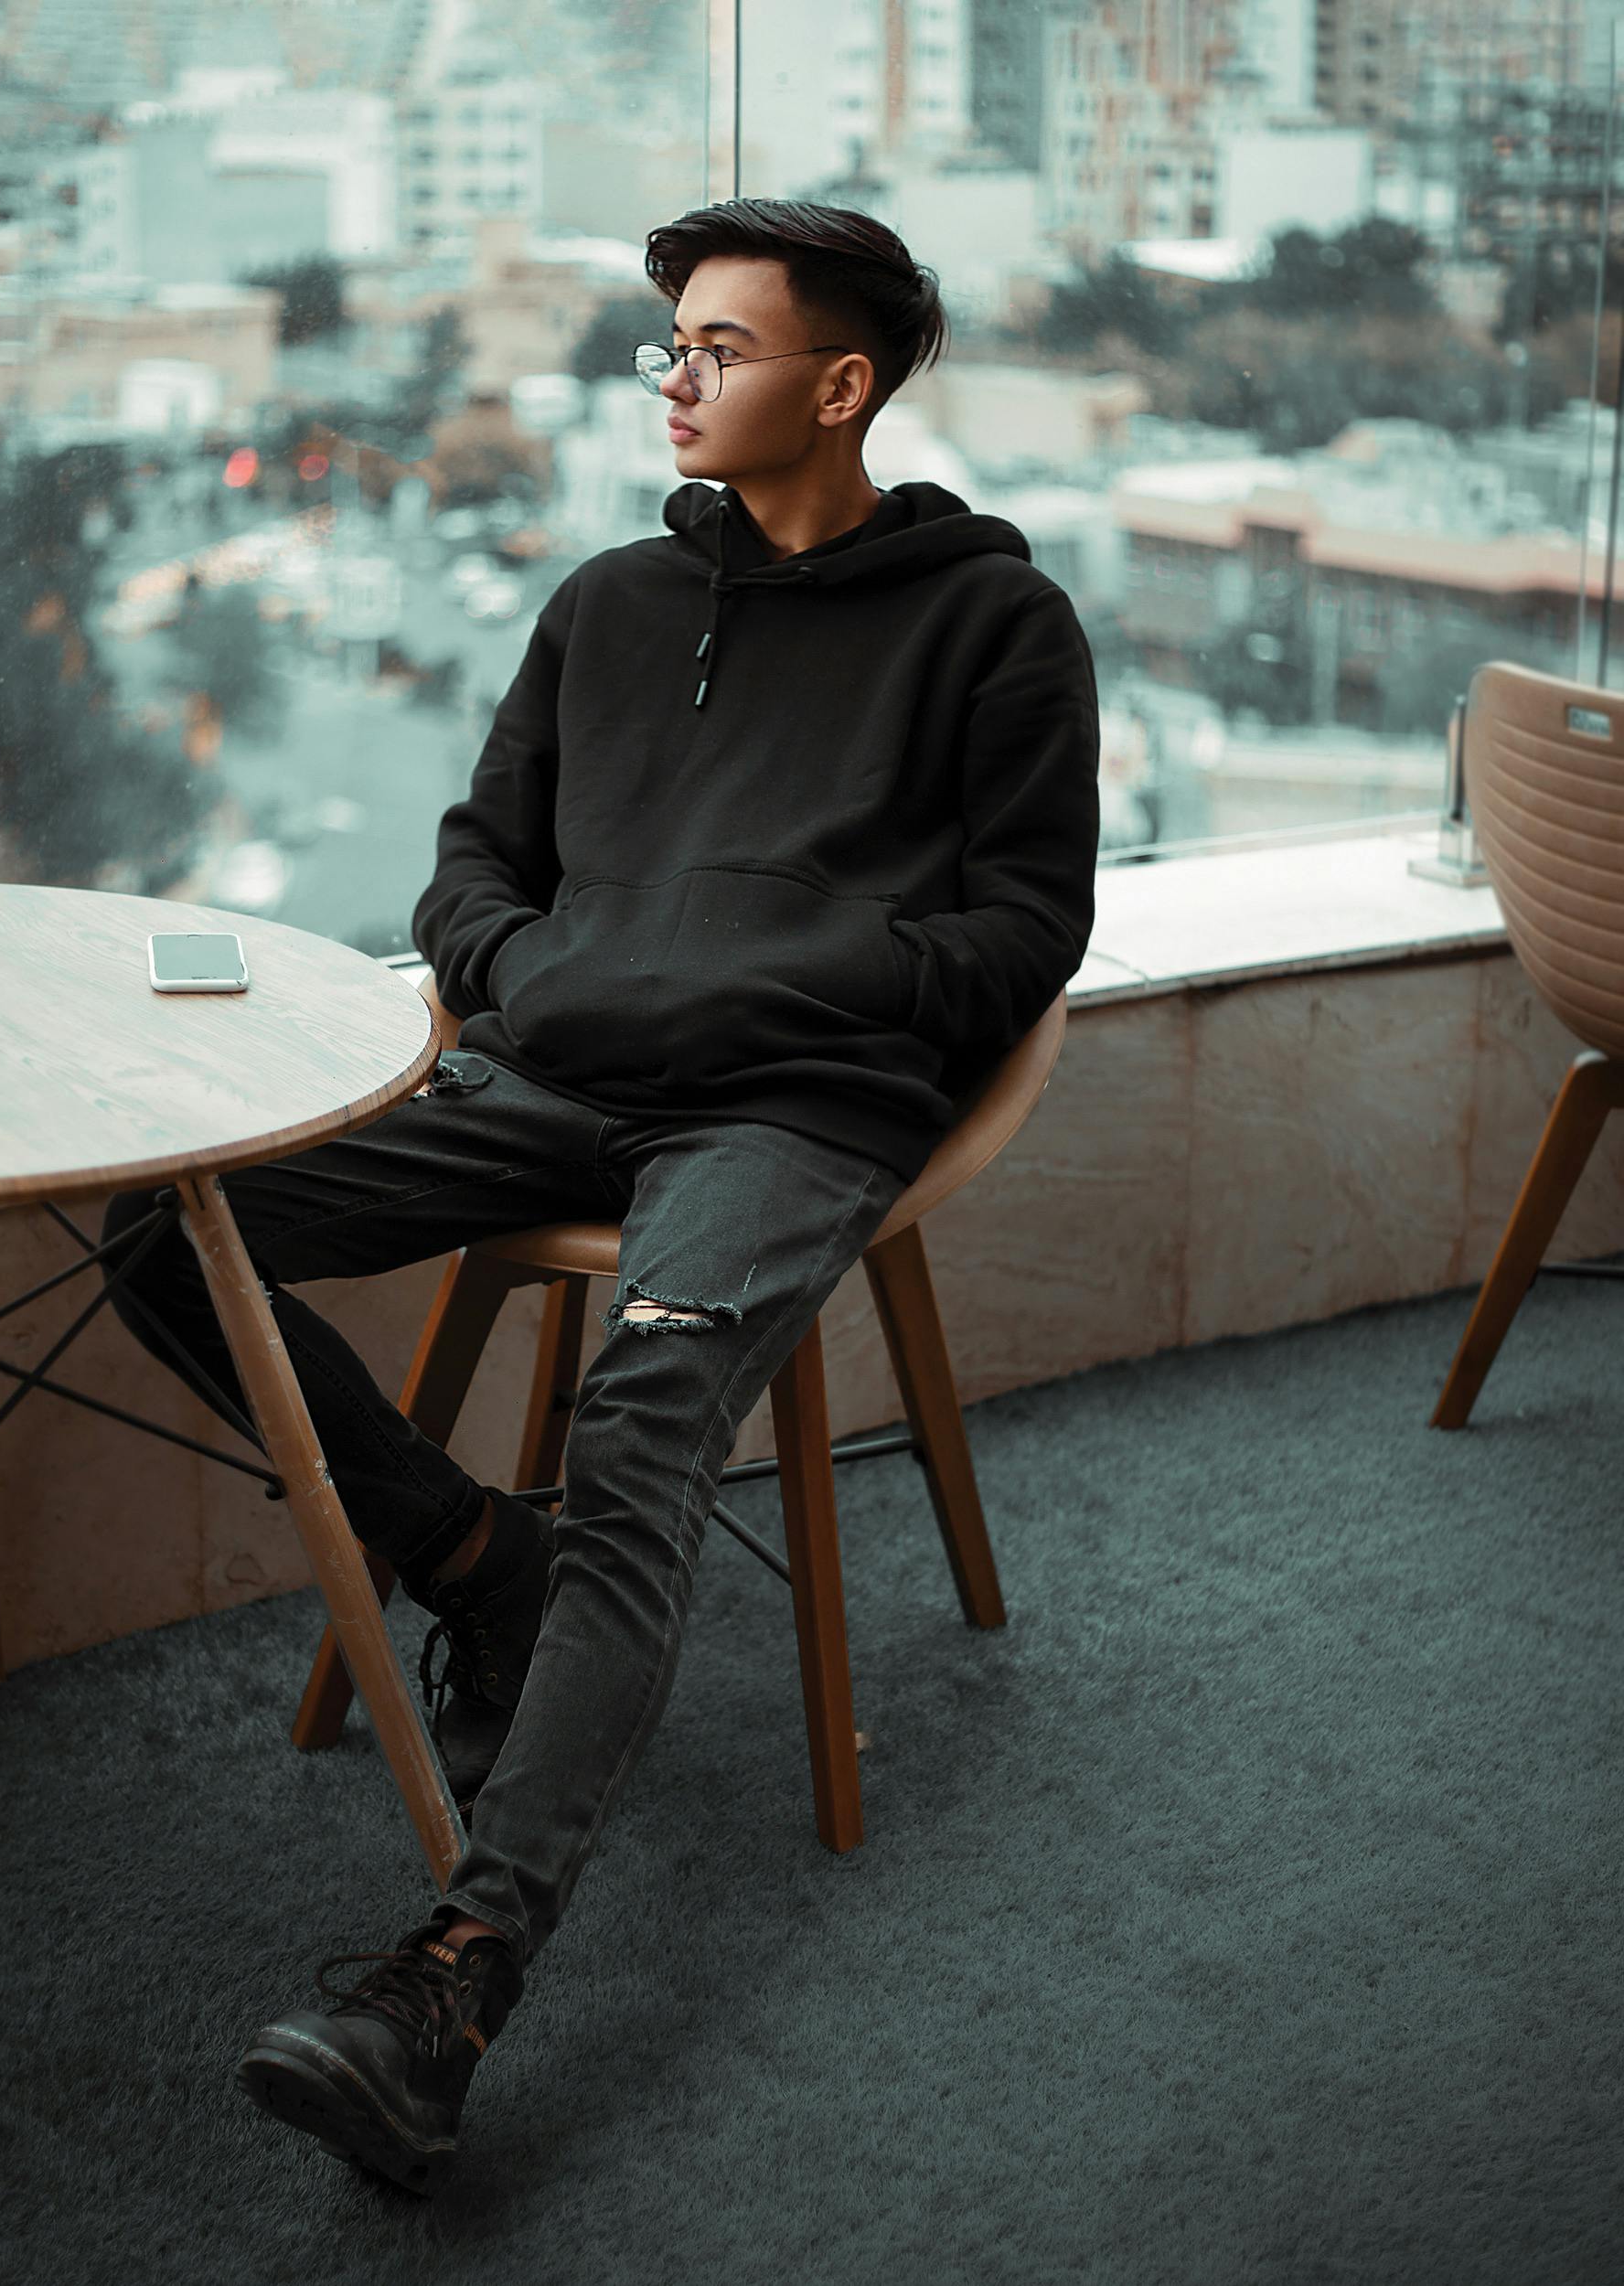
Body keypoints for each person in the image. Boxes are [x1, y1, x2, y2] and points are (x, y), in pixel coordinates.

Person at [100, 195, 1101, 2198]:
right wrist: (526, 973)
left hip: (791, 1112)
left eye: (717, 349)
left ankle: (456, 1972)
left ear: (839, 382)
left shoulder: (995, 624)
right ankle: (475, 1551)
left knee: (642, 1411)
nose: (675, 378)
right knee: (160, 1228)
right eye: (669, 346)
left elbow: (1022, 933)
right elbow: (473, 867)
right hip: (544, 1078)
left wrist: (762, 985)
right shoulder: (606, 606)